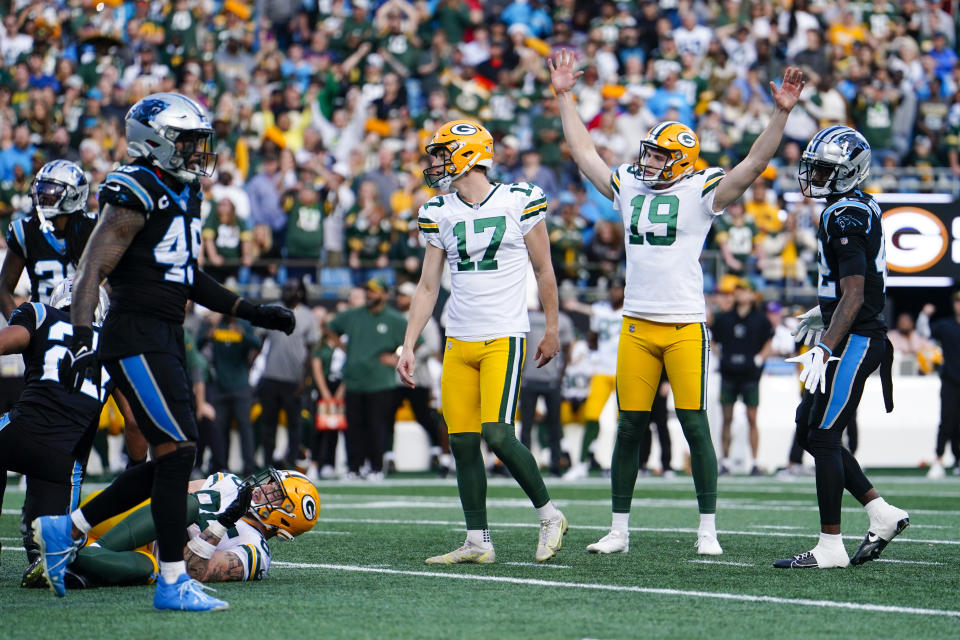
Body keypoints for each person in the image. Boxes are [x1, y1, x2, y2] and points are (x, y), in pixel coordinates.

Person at [33, 93, 295, 611]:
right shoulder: (135, 187)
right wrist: (85, 340)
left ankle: (69, 528)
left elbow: (185, 275)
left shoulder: (182, 189)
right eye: (190, 141)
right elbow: (91, 270)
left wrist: (251, 310)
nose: (199, 151)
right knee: (177, 450)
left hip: (166, 337)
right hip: (135, 335)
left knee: (175, 453)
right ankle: (171, 581)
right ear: (156, 141)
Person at [550, 50, 804, 556]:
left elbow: (754, 164)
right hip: (637, 325)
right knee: (628, 426)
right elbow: (585, 155)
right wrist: (564, 96)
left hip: (685, 324)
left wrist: (781, 113)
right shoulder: (629, 186)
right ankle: (619, 529)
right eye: (649, 153)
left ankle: (707, 529)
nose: (649, 162)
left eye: (660, 156)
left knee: (694, 424)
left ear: (683, 159)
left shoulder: (702, 189)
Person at [397, 119, 567, 564]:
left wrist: (552, 327)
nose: (434, 162)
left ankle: (550, 515)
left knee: (497, 433)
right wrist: (409, 343)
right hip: (458, 338)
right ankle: (477, 540)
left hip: (504, 336)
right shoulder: (439, 210)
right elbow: (427, 287)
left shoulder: (518, 199)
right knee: (462, 442)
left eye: (442, 152)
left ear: (469, 153)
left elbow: (544, 270)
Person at [775, 126, 909, 569]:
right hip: (851, 330)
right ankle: (880, 512)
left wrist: (825, 345)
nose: (813, 174)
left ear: (849, 171)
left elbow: (854, 294)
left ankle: (830, 546)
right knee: (808, 425)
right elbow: (854, 284)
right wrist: (824, 308)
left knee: (825, 437)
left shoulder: (844, 214)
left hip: (857, 337)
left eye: (824, 169)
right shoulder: (851, 204)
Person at [0, 279, 141, 580]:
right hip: (64, 462)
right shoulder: (115, 346)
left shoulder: (40, 314)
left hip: (19, 432)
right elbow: (134, 421)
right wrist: (137, 467)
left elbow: (3, 343)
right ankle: (44, 555)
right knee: (55, 550)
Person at [24, 467, 318, 588]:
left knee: (148, 568)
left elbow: (195, 572)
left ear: (285, 520)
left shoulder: (255, 551)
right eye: (270, 484)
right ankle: (79, 557)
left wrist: (223, 523)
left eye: (275, 493)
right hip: (132, 524)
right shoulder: (230, 483)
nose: (264, 489)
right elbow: (168, 493)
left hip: (151, 560)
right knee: (183, 503)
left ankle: (69, 559)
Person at [328, 277, 409, 480]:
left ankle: (376, 467)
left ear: (384, 294)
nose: (370, 294)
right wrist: (345, 348)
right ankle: (353, 467)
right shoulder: (353, 315)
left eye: (374, 291)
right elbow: (329, 327)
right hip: (354, 380)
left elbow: (414, 340)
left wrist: (395, 358)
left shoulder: (394, 318)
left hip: (380, 382)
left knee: (377, 426)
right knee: (353, 427)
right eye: (368, 291)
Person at [0, 159, 96, 317]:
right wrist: (21, 324)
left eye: (52, 190)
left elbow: (114, 283)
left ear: (75, 194)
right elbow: (4, 289)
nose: (43, 195)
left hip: (88, 319)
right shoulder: (25, 230)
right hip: (44, 324)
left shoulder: (94, 228)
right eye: (41, 188)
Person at [562, 279, 625, 481]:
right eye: (613, 289)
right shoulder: (602, 310)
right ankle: (581, 463)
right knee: (591, 415)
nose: (615, 292)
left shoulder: (631, 310)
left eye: (618, 289)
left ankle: (620, 465)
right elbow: (593, 333)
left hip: (623, 371)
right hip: (602, 370)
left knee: (623, 420)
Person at [710, 279, 773, 476]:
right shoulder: (724, 318)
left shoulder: (760, 320)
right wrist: (722, 356)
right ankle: (725, 462)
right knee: (726, 418)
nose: (739, 293)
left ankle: (754, 461)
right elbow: (712, 340)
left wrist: (758, 359)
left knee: (752, 418)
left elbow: (768, 343)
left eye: (744, 290)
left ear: (753, 295)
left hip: (750, 375)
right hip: (729, 374)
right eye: (738, 290)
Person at [256, 277, 318, 469]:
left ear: (300, 293)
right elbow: (258, 341)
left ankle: (290, 463)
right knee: (268, 425)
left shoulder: (308, 315)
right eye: (286, 288)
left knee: (294, 425)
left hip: (294, 380)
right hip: (270, 376)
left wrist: (304, 380)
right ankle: (267, 463)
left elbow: (310, 351)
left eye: (292, 289)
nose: (287, 292)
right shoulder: (273, 309)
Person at [391, 280, 449, 476]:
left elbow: (432, 346)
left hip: (418, 375)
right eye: (399, 296)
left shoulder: (426, 319)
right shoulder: (395, 317)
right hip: (396, 377)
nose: (400, 299)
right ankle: (388, 455)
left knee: (424, 416)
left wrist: (409, 354)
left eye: (403, 295)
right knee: (386, 415)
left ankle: (438, 453)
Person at [196, 311, 262, 476]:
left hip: (240, 385)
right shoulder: (213, 324)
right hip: (220, 386)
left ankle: (249, 467)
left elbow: (257, 343)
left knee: (245, 429)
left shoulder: (243, 324)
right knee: (220, 430)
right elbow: (195, 347)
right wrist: (207, 334)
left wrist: (243, 334)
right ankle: (220, 467)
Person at [519, 302, 574, 477]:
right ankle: (523, 466)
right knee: (526, 425)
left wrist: (560, 375)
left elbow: (567, 348)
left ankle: (555, 465)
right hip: (529, 378)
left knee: (555, 425)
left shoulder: (562, 320)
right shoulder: (527, 317)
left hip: (551, 380)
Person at [918, 295, 960, 478]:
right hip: (950, 381)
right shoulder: (946, 325)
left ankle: (958, 461)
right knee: (947, 421)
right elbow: (924, 333)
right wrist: (923, 316)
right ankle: (939, 460)